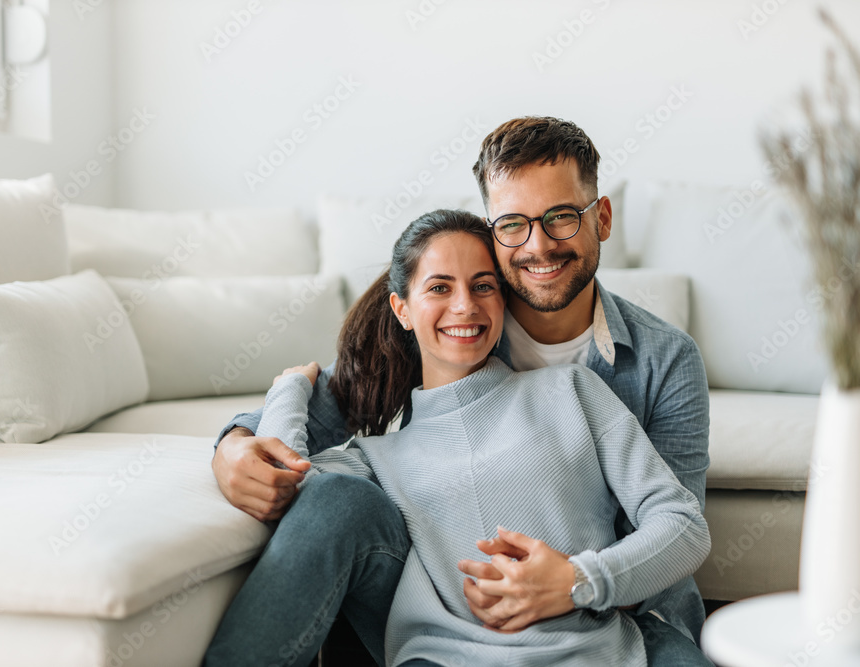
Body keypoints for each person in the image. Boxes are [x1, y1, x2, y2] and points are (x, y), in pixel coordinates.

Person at [207, 117, 712, 666]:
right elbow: (301, 438)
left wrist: (568, 583)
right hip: (453, 629)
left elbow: (676, 527)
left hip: (615, 613)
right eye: (514, 224)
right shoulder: (452, 338)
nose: (539, 246)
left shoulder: (635, 369)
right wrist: (236, 440)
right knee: (333, 500)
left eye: (562, 218)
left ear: (602, 218)